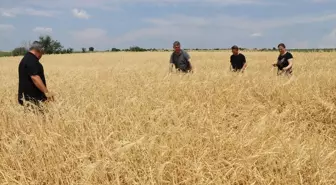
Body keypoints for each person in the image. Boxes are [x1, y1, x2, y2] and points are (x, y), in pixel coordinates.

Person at [18, 41, 54, 110]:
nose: (41, 55)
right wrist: (47, 93)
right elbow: (35, 77)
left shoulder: (26, 58)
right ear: (39, 50)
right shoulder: (32, 61)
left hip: (26, 98)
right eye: (42, 53)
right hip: (33, 99)